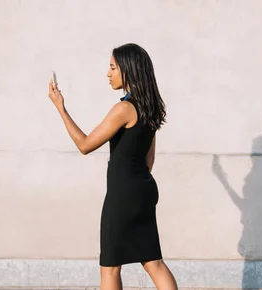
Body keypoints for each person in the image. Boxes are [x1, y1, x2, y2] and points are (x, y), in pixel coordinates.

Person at [47, 43, 178, 290]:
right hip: (144, 190)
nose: (108, 74)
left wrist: (60, 107)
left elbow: (85, 145)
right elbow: (149, 162)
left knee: (110, 267)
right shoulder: (150, 107)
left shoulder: (123, 109)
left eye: (112, 67)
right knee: (153, 262)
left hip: (123, 195)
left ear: (127, 70)